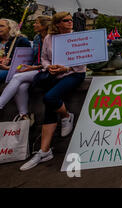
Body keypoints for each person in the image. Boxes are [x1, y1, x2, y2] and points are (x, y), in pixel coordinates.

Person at [19, 12, 86, 171]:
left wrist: (66, 67)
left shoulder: (78, 37)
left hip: (74, 73)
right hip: (54, 74)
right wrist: (48, 66)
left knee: (50, 98)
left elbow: (83, 60)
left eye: (70, 20)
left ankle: (66, 116)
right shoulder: (49, 38)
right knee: (49, 108)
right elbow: (44, 58)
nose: (70, 22)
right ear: (57, 24)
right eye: (66, 20)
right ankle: (44, 151)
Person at [0, 16, 51, 121]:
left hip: (43, 69)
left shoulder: (51, 38)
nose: (33, 24)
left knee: (18, 77)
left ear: (45, 25)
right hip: (35, 68)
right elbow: (34, 58)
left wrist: (32, 67)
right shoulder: (37, 37)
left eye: (36, 22)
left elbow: (45, 60)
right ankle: (24, 116)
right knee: (22, 86)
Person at [0, 19, 31, 84]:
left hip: (9, 70)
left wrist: (9, 67)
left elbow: (25, 63)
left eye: (2, 26)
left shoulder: (21, 41)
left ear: (10, 28)